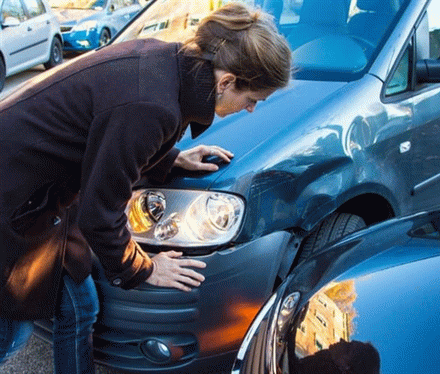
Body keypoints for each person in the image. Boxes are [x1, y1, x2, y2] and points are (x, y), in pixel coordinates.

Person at [0, 2, 292, 373]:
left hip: (37, 197)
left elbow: (108, 135)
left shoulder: (165, 62)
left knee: (79, 307)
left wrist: (171, 158)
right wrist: (143, 268)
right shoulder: (154, 105)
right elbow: (99, 213)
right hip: (11, 201)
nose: (251, 109)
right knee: (11, 332)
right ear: (226, 82)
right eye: (252, 100)